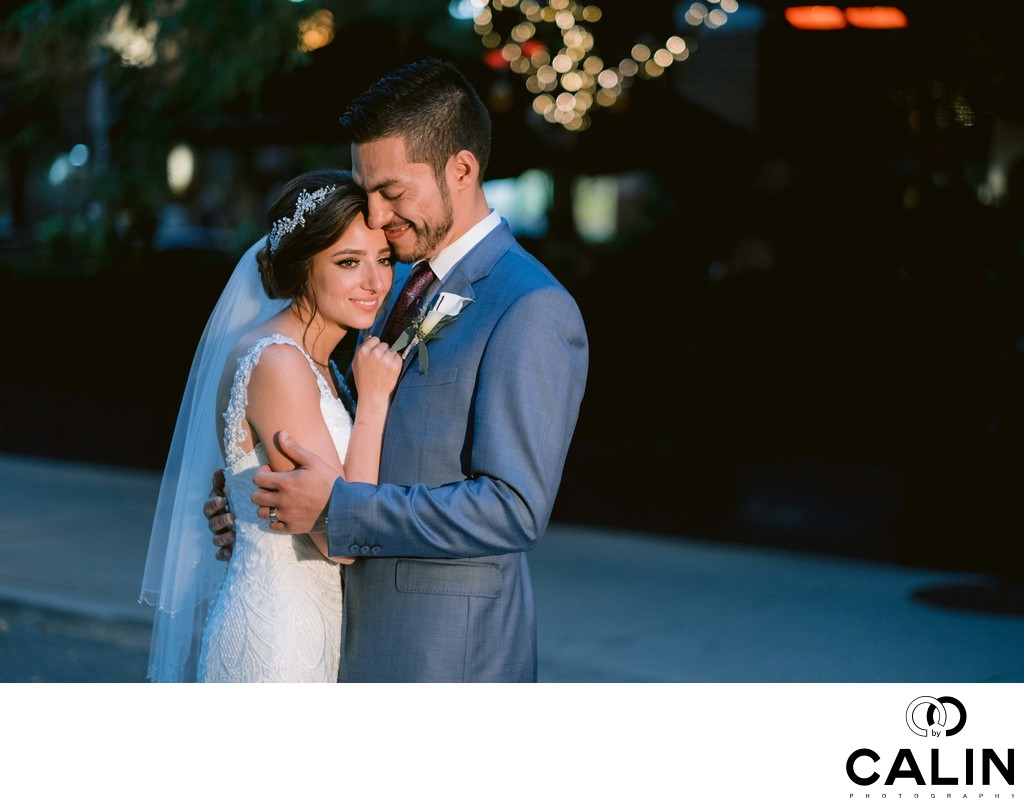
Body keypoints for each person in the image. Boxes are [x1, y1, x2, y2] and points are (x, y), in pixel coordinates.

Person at [207, 59, 589, 682]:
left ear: (461, 170)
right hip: (343, 634)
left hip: (443, 655)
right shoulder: (389, 287)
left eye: (391, 192)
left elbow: (513, 507)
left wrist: (336, 509)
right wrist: (257, 505)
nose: (378, 216)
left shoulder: (530, 306)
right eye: (368, 192)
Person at [141, 169, 401, 682]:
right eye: (349, 262)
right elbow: (340, 538)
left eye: (384, 259)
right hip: (281, 642)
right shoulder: (279, 362)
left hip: (317, 627)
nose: (376, 282)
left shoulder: (318, 362)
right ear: (304, 268)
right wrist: (373, 403)